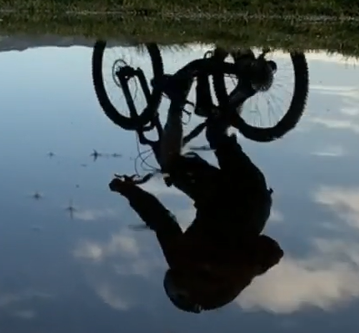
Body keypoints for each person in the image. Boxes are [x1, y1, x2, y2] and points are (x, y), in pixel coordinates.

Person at [107, 111, 283, 314]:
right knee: (171, 163)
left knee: (218, 136)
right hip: (225, 197)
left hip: (256, 197)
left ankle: (241, 90)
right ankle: (177, 100)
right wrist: (127, 190)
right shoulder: (183, 261)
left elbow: (272, 249)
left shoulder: (235, 277)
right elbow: (159, 219)